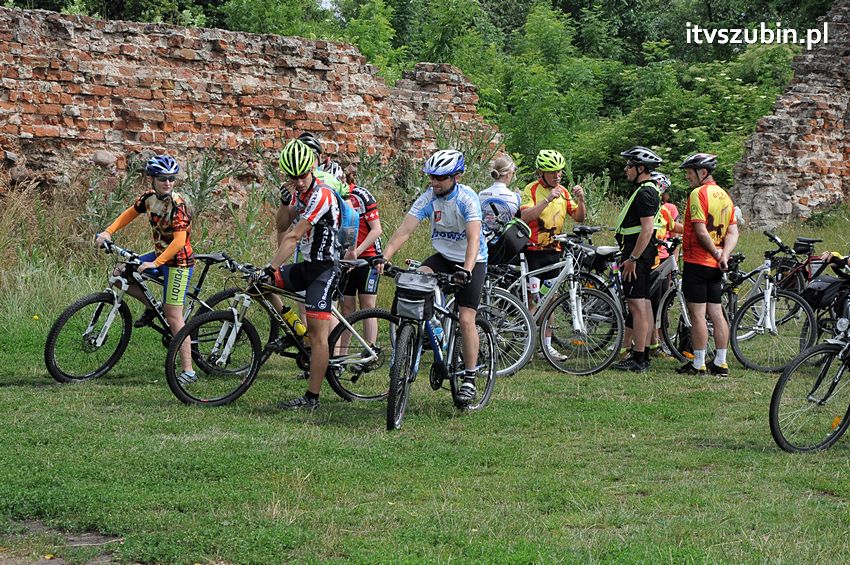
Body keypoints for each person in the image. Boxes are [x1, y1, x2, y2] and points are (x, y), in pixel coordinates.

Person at [374, 149, 487, 405]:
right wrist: (386, 256)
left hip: (473, 260)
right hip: (443, 257)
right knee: (417, 279)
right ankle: (430, 330)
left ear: (456, 176)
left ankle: (469, 378)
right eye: (431, 177)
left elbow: (474, 238)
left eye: (441, 178)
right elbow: (405, 230)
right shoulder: (428, 198)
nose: (434, 182)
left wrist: (467, 270)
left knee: (467, 318)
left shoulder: (467, 198)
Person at [95, 155, 196, 383]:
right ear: (152, 179)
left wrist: (155, 264)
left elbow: (179, 241)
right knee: (122, 274)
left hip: (178, 262)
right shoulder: (149, 198)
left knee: (174, 316)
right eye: (162, 178)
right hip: (160, 256)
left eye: (171, 179)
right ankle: (152, 307)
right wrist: (108, 232)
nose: (167, 183)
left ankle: (188, 371)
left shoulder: (178, 205)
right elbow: (130, 213)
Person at [265, 138, 343, 409]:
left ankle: (312, 398)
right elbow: (282, 225)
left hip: (325, 268)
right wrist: (285, 204)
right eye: (292, 177)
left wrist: (271, 266)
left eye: (302, 176)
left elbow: (295, 236)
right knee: (261, 285)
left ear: (312, 169)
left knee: (319, 335)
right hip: (305, 265)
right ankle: (298, 332)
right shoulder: (299, 194)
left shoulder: (322, 195)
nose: (298, 181)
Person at [519, 149, 586, 358]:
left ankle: (547, 346)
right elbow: (525, 216)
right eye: (552, 172)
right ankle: (527, 346)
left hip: (554, 252)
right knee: (533, 301)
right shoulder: (531, 189)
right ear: (541, 173)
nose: (557, 176)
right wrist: (547, 200)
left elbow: (579, 217)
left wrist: (581, 200)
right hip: (532, 252)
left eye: (559, 172)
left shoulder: (564, 192)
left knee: (550, 300)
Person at [676, 152, 739, 376]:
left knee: (698, 314)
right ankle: (721, 362)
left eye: (690, 173)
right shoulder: (724, 195)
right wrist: (724, 255)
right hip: (716, 265)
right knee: (716, 312)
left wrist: (713, 252)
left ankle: (698, 363)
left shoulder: (698, 194)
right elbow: (733, 231)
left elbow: (701, 231)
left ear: (703, 172)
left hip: (697, 262)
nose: (687, 177)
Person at [611, 146, 663, 373]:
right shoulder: (646, 190)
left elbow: (647, 229)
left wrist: (632, 258)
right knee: (642, 304)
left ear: (641, 168)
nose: (626, 170)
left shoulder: (645, 193)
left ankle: (639, 358)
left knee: (636, 306)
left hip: (637, 254)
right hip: (640, 253)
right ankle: (642, 354)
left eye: (629, 166)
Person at [339, 164, 383, 346]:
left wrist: (356, 251)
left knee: (367, 306)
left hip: (369, 256)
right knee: (347, 307)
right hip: (346, 258)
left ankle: (370, 351)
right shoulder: (332, 197)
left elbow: (377, 230)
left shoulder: (361, 195)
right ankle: (341, 355)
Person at [478, 154, 520, 234]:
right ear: (508, 174)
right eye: (513, 173)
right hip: (504, 242)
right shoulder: (515, 197)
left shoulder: (481, 195)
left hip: (484, 240)